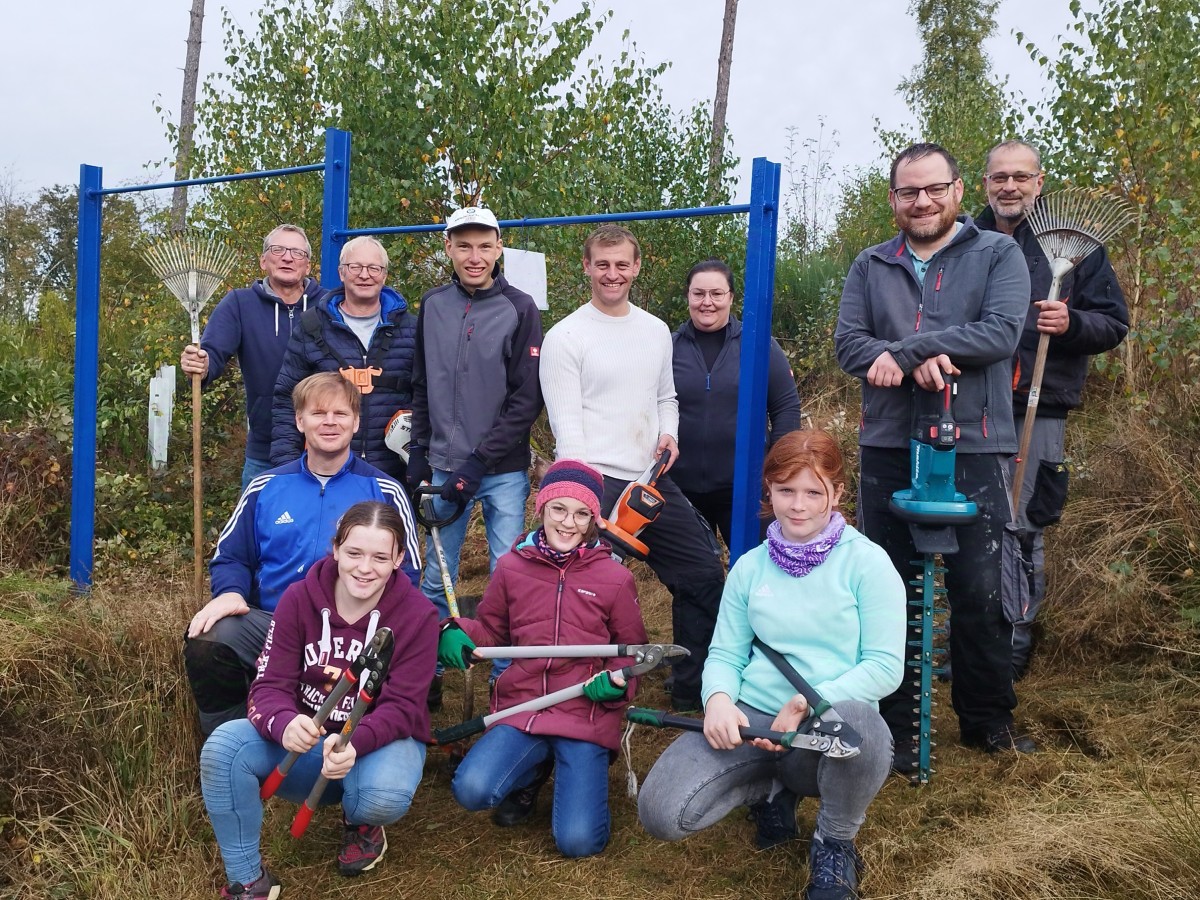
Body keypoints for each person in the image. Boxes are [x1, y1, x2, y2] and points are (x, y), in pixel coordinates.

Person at [834, 142, 1036, 770]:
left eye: (932, 189)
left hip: (972, 442)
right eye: (907, 192)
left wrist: (913, 350)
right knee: (886, 587)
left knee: (979, 586)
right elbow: (849, 344)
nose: (920, 202)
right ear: (893, 199)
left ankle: (986, 719)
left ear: (954, 192)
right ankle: (892, 726)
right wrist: (894, 359)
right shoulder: (870, 265)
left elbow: (1001, 332)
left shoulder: (997, 253)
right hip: (890, 443)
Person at [638, 430, 905, 900]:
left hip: (823, 724)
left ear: (836, 494)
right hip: (750, 719)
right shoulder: (749, 567)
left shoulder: (869, 564)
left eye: (812, 492)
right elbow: (724, 653)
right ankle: (769, 790)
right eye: (785, 491)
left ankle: (834, 843)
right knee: (661, 814)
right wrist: (718, 700)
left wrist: (806, 703)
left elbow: (885, 666)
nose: (797, 505)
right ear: (769, 491)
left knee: (865, 727)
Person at [199, 500, 437, 898]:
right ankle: (248, 882)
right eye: (355, 553)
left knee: (382, 796)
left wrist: (352, 742)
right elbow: (268, 685)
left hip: (375, 745)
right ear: (336, 549)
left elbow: (404, 708)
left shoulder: (418, 616)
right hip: (309, 745)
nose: (365, 568)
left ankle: (361, 819)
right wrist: (283, 722)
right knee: (223, 748)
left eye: (380, 556)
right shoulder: (298, 599)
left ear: (398, 558)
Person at [539, 224, 725, 713]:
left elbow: (666, 397)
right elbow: (568, 430)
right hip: (593, 483)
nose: (612, 273)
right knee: (580, 592)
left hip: (649, 482)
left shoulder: (654, 330)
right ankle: (571, 692)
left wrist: (670, 436)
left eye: (622, 264)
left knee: (703, 572)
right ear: (586, 267)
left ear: (637, 267)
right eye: (602, 264)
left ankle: (691, 689)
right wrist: (583, 504)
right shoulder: (566, 337)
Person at [185, 372, 421, 736]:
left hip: (354, 633)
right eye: (318, 413)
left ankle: (350, 744)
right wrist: (230, 593)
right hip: (273, 621)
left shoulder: (384, 490)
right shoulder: (266, 486)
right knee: (209, 640)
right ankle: (232, 742)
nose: (330, 422)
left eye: (341, 414)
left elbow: (409, 574)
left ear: (356, 422)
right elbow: (232, 556)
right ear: (299, 421)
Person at [437, 459, 647, 857]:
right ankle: (532, 772)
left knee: (579, 842)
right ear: (541, 508)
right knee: (471, 790)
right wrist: (457, 630)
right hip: (524, 706)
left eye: (582, 513)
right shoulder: (512, 567)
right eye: (559, 510)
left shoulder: (615, 579)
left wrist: (617, 684)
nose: (569, 523)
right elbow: (493, 632)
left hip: (584, 712)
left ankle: (580, 773)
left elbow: (633, 654)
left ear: (592, 520)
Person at [977, 139, 1130, 679]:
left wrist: (1071, 325)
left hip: (1036, 407)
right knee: (973, 522)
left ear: (1038, 183)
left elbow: (1113, 323)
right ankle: (977, 638)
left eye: (1020, 177)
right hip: (972, 405)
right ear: (985, 184)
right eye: (999, 177)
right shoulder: (965, 239)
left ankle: (1014, 642)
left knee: (1023, 521)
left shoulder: (1071, 247)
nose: (1009, 186)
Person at [407, 206, 543, 693]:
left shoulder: (520, 308)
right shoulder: (434, 305)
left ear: (499, 248)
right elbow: (421, 385)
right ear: (448, 248)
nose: (474, 256)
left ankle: (506, 681)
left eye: (485, 246)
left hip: (500, 471)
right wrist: (419, 449)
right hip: (443, 467)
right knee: (432, 581)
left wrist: (479, 462)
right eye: (463, 246)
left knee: (507, 574)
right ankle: (430, 675)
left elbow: (526, 400)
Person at [180, 225, 326, 490]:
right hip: (265, 450)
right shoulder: (239, 303)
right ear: (263, 261)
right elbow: (212, 352)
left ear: (307, 265)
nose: (287, 257)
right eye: (277, 250)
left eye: (296, 252)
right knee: (258, 529)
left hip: (326, 449)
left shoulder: (329, 305)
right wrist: (200, 366)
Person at [672, 257, 802, 547]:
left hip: (746, 490)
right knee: (696, 581)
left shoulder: (758, 344)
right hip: (682, 490)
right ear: (688, 297)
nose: (707, 302)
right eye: (698, 294)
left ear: (731, 297)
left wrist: (780, 470)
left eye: (717, 294)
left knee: (757, 572)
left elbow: (786, 408)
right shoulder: (668, 347)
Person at [271, 236, 417, 482]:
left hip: (391, 474)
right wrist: (287, 468)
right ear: (341, 273)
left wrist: (420, 460)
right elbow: (287, 398)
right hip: (323, 473)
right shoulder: (311, 326)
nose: (364, 275)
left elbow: (427, 397)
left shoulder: (412, 329)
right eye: (355, 267)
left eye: (374, 268)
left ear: (384, 275)